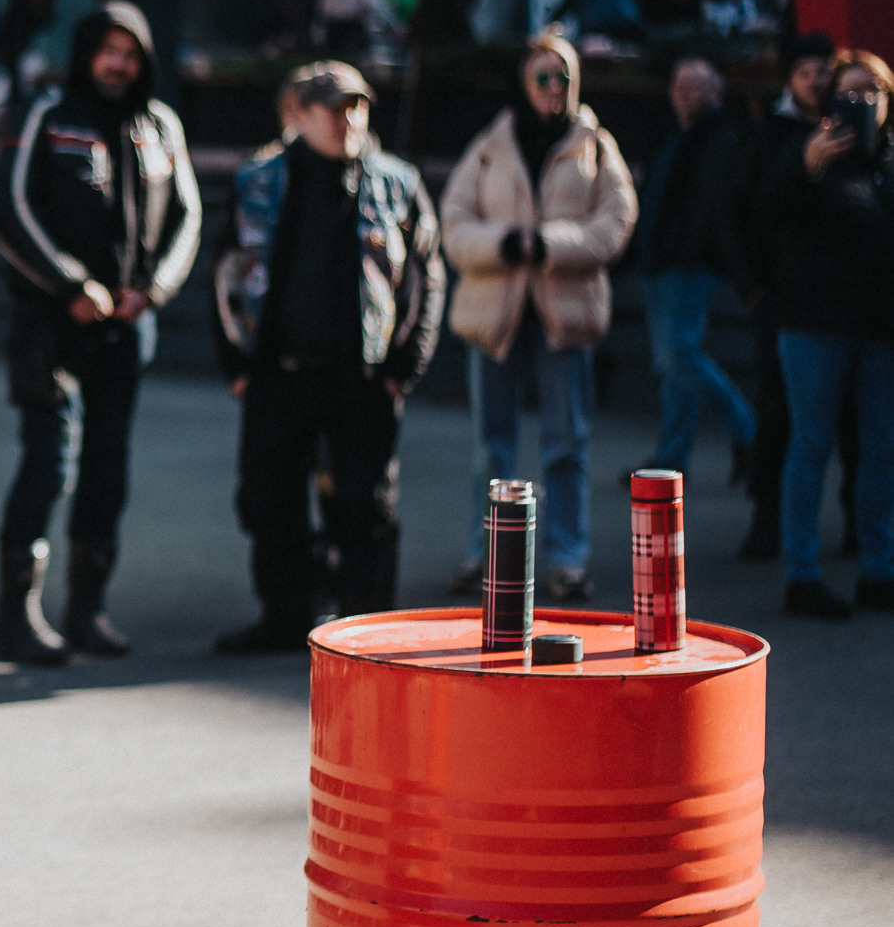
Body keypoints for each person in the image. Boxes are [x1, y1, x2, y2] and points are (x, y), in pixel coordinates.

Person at [0, 1, 200, 662]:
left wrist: (154, 290)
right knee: (50, 464)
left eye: (130, 54)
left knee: (108, 471)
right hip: (50, 328)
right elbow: (10, 209)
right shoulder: (46, 114)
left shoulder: (161, 123)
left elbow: (188, 217)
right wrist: (70, 285)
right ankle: (15, 617)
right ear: (85, 54)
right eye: (108, 51)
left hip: (128, 330)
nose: (119, 64)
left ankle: (87, 611)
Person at [214, 62, 442, 652]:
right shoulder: (259, 180)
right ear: (300, 113)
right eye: (334, 108)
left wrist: (404, 369)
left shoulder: (397, 182)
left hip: (363, 378)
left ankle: (366, 635)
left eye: (358, 107)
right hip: (278, 373)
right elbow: (226, 270)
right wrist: (238, 367)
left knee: (366, 509)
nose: (349, 120)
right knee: (269, 502)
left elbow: (426, 275)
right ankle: (285, 618)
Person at [442, 33, 638, 601]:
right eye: (543, 77)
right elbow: (454, 222)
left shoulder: (594, 144)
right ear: (522, 83)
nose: (554, 88)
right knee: (491, 446)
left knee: (566, 443)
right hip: (495, 313)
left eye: (563, 77)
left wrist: (550, 244)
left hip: (564, 313)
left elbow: (617, 222)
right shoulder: (491, 143)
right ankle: (487, 554)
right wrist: (505, 243)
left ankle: (566, 557)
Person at [753, 48, 894, 620]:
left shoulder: (889, 162)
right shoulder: (807, 151)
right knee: (811, 445)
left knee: (881, 450)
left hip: (881, 329)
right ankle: (802, 575)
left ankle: (879, 570)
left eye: (871, 93)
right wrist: (804, 166)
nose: (860, 103)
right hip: (814, 325)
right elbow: (764, 214)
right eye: (848, 93)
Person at [741, 32, 854, 563]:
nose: (815, 80)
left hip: (852, 298)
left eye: (822, 71)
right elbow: (749, 210)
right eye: (805, 72)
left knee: (856, 421)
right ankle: (767, 519)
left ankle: (857, 524)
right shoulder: (771, 134)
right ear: (789, 79)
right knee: (780, 414)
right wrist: (752, 288)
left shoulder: (855, 131)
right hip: (784, 297)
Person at [630, 58, 756, 483]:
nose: (683, 93)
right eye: (678, 85)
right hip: (659, 263)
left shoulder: (719, 139)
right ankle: (671, 457)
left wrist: (683, 250)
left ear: (715, 93)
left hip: (686, 265)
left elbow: (712, 205)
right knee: (673, 368)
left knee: (679, 356)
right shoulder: (674, 137)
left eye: (694, 86)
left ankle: (748, 431)